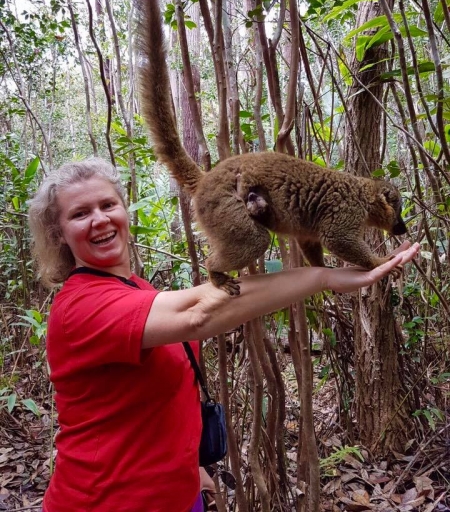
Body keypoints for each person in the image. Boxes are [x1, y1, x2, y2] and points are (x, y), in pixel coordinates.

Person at [28, 157, 419, 512]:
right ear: (59, 234)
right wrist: (326, 277)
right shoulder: (79, 307)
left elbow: (163, 392)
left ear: (124, 212)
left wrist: (193, 468)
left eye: (107, 205)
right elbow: (201, 312)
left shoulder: (140, 290)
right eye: (80, 214)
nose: (99, 219)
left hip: (178, 494)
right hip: (104, 501)